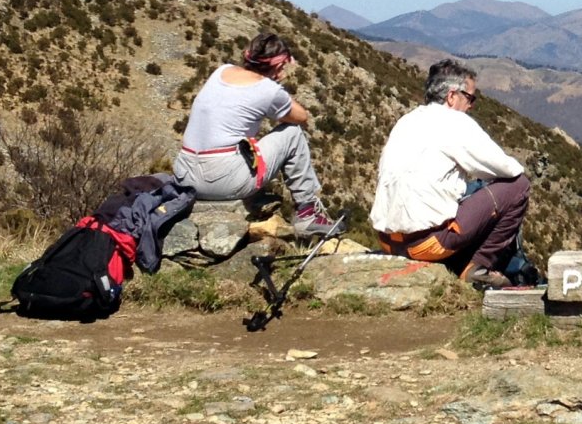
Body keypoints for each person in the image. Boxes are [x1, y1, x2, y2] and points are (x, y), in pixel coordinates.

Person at [371, 59, 531, 288]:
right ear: (452, 96)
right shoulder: (455, 122)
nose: (472, 105)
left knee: (469, 189)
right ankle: (477, 267)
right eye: (470, 98)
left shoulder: (407, 120)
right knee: (518, 186)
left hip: (388, 241)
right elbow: (509, 169)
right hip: (426, 244)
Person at [173, 33, 334, 238]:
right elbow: (301, 117)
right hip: (222, 180)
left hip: (184, 175)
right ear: (278, 66)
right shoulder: (268, 89)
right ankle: (308, 212)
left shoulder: (221, 71)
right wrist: (276, 88)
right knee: (292, 133)